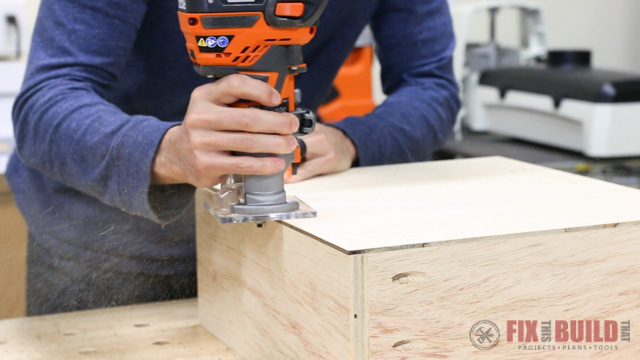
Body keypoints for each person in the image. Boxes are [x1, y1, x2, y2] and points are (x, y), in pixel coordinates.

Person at [8, 0, 460, 315]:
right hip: (103, 242)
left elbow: (432, 85)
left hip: (278, 245)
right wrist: (169, 150)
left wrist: (353, 140)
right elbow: (46, 103)